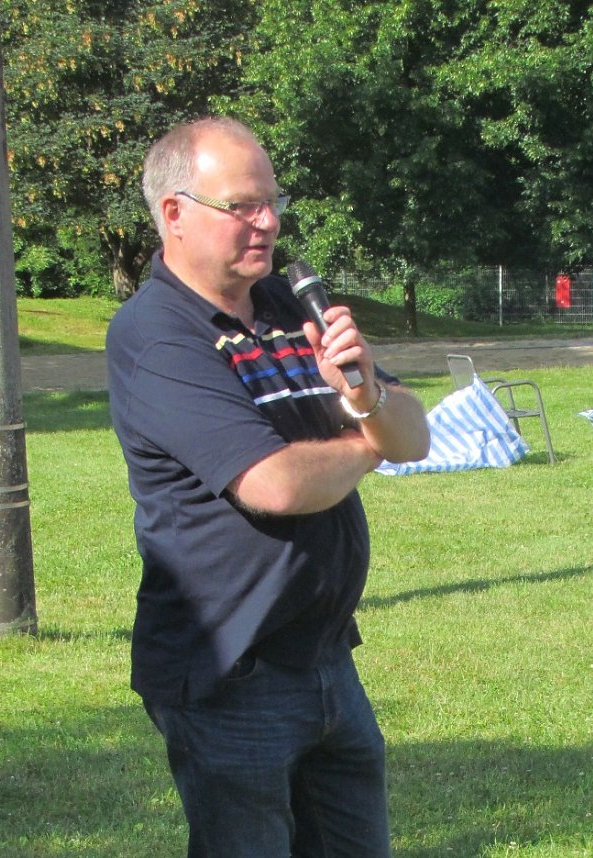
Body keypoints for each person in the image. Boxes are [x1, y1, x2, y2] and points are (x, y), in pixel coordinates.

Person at [106, 116, 430, 858]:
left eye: (272, 201)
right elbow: (275, 484)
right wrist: (370, 431)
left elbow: (415, 436)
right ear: (175, 214)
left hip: (324, 658)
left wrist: (366, 392)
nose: (268, 221)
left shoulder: (290, 307)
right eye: (242, 206)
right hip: (230, 674)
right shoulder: (157, 335)